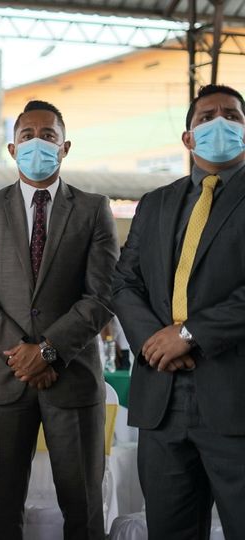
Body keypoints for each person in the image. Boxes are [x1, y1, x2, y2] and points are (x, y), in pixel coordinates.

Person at [0, 100, 119, 540]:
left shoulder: (93, 208)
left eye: (48, 135)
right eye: (27, 136)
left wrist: (47, 352)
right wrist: (23, 355)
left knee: (84, 510)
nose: (37, 143)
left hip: (71, 376)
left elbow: (103, 294)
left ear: (65, 147)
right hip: (4, 378)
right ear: (12, 149)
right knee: (1, 511)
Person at [112, 84, 245, 539]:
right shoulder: (156, 203)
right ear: (188, 138)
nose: (219, 122)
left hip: (235, 398)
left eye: (232, 115)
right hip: (162, 400)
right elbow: (124, 282)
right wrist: (157, 343)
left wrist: (189, 335)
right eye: (206, 117)